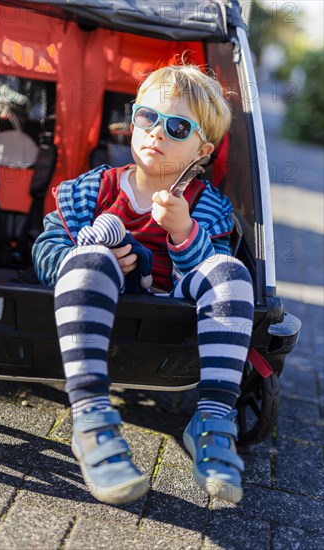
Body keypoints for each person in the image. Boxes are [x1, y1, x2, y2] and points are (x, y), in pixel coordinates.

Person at [32, 62, 254, 506]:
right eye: (146, 117)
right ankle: (91, 417)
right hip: (99, 300)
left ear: (202, 150)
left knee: (232, 273)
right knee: (91, 251)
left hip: (170, 306)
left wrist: (183, 233)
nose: (156, 132)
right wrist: (82, 258)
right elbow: (44, 249)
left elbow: (213, 278)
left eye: (176, 126)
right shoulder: (91, 191)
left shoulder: (207, 209)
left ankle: (211, 419)